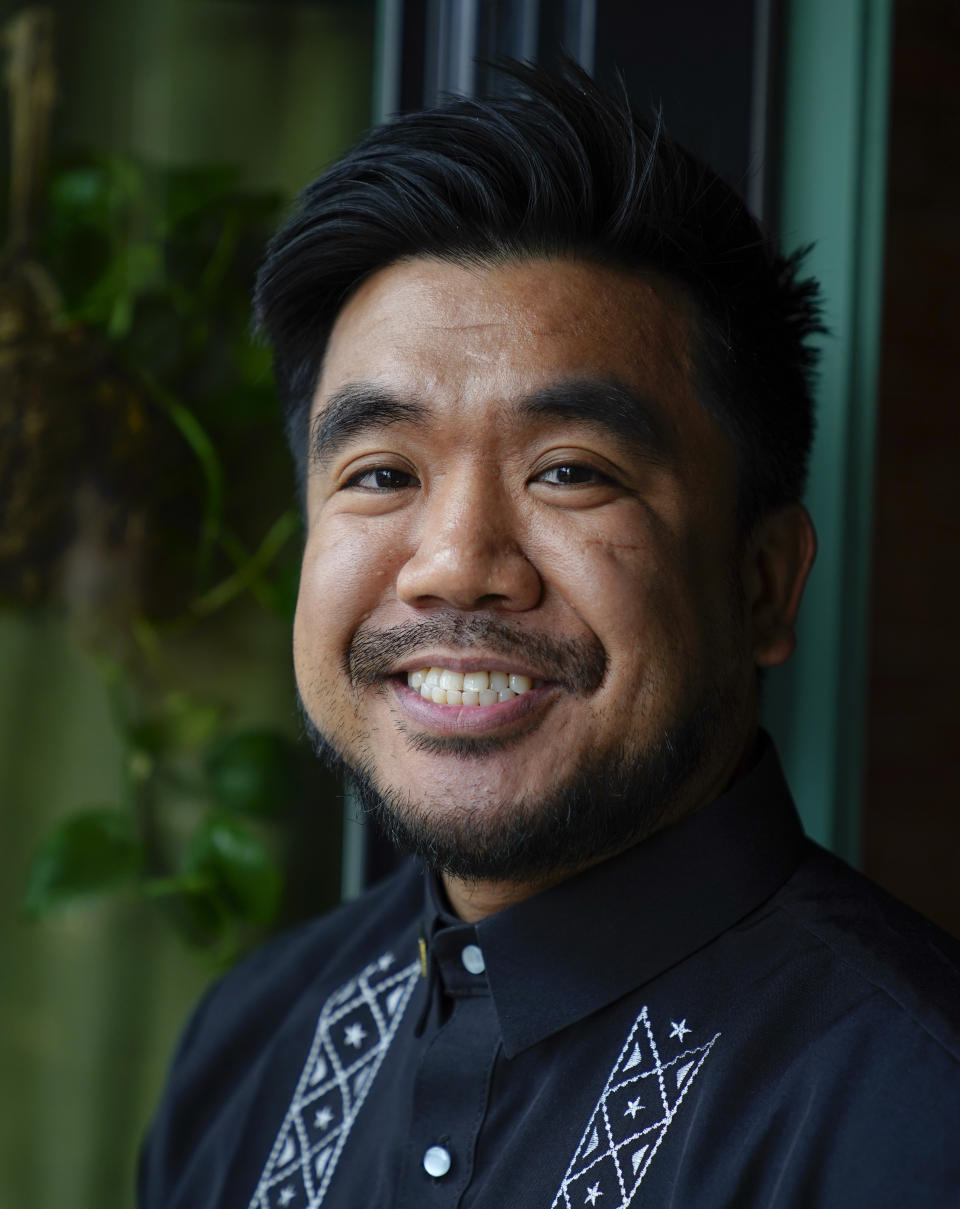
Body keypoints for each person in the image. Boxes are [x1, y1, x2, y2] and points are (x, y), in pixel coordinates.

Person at [139, 62, 960, 1209]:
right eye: (381, 474)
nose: (455, 562)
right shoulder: (250, 1045)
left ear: (762, 584)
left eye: (569, 472)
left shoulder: (914, 1113)